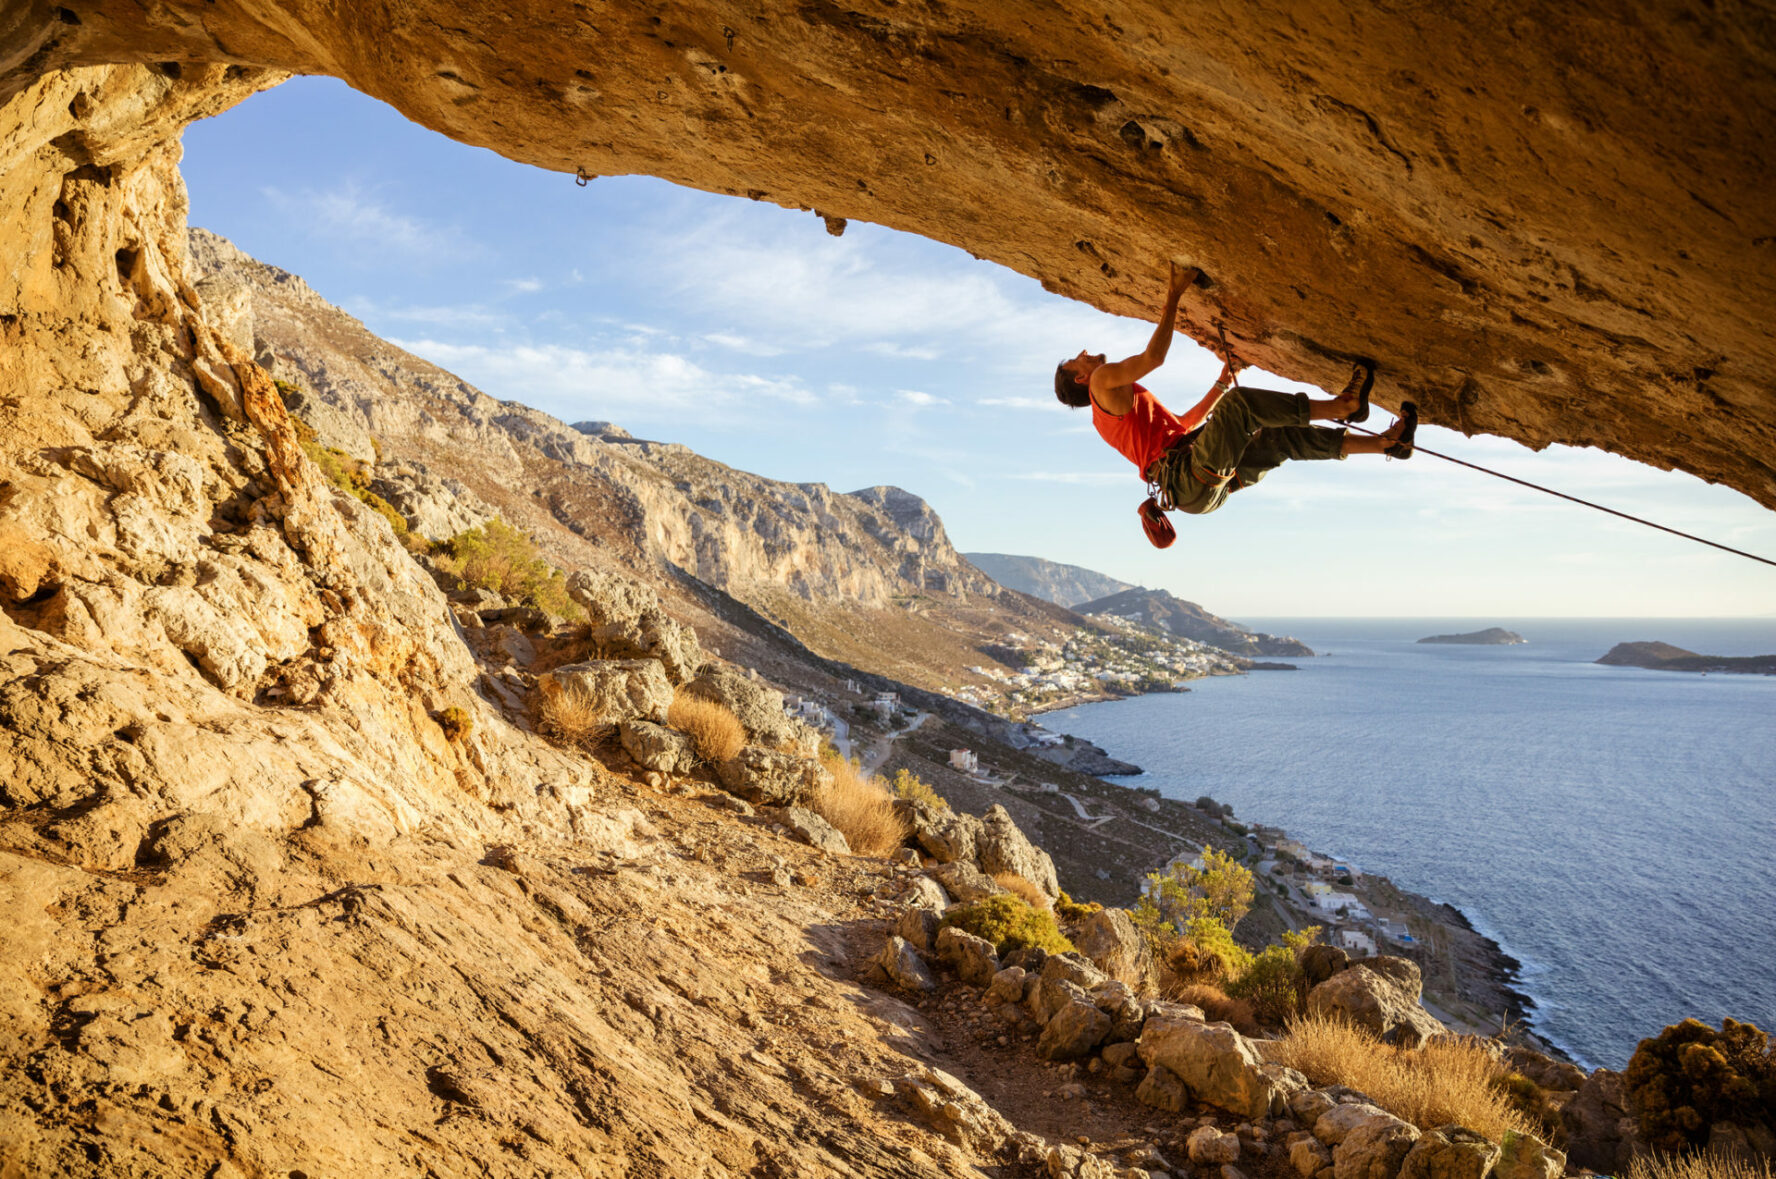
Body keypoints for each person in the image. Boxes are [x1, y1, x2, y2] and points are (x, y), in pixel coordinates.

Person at [1053, 261, 1416, 521]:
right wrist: (1174, 293)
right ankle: (1343, 406)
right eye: (1076, 361)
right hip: (1186, 475)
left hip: (1193, 488)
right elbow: (1153, 357)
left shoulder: (1110, 415)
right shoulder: (1102, 380)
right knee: (1241, 405)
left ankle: (1389, 445)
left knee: (1281, 437)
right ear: (1082, 380)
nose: (1084, 354)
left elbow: (1183, 424)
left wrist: (1221, 382)